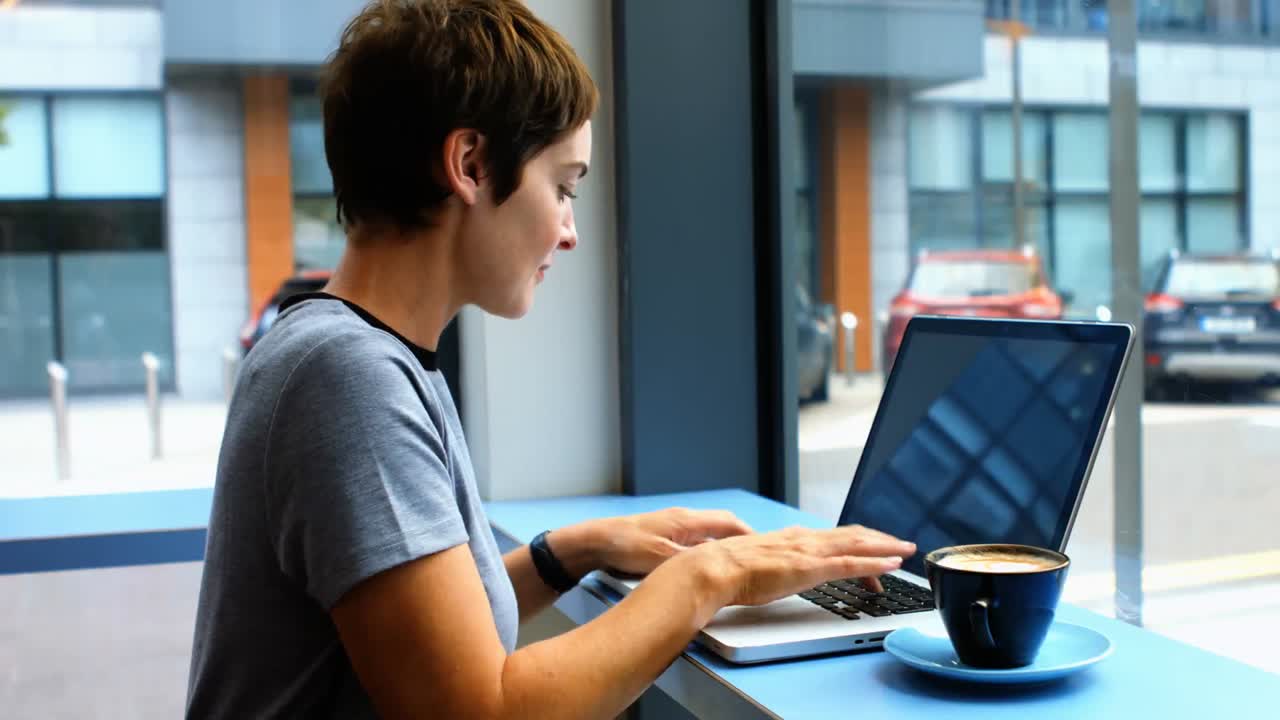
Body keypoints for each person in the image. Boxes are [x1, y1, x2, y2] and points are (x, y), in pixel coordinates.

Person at [185, 1, 916, 717]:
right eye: (563, 187)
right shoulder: (347, 377)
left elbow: (430, 631)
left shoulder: (356, 353)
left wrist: (572, 551)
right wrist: (711, 575)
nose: (569, 231)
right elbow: (480, 707)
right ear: (471, 164)